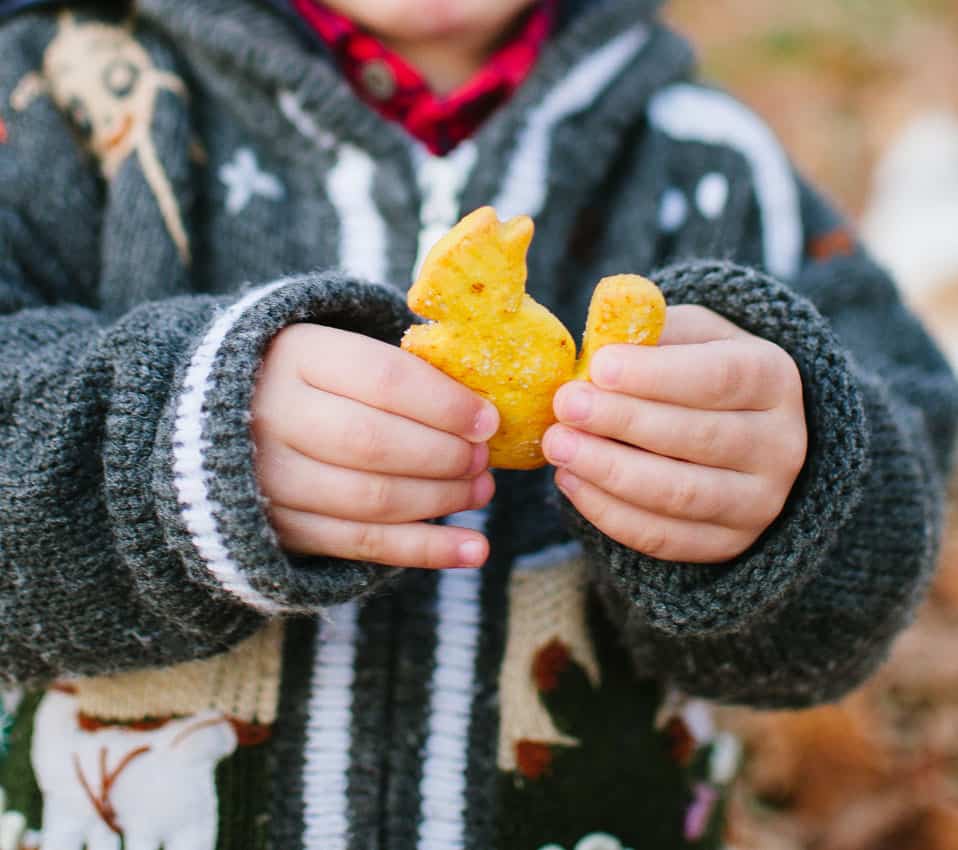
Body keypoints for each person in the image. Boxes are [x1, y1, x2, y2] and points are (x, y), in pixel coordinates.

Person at [0, 0, 954, 848]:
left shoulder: (708, 159)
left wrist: (789, 483)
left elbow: (902, 463)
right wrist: (169, 454)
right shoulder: (64, 109)